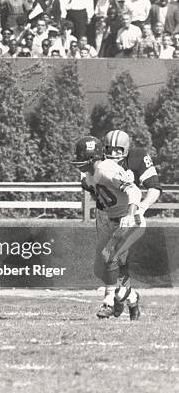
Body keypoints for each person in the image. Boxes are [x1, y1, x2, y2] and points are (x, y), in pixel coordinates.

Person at [71, 136, 144, 320]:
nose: (78, 162)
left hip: (130, 221)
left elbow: (134, 191)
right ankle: (131, 298)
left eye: (82, 157)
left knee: (108, 255)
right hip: (114, 223)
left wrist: (130, 213)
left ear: (92, 158)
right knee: (102, 269)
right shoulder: (91, 174)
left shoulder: (106, 170)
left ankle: (110, 302)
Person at [103, 130, 161, 215]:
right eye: (109, 150)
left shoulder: (137, 156)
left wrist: (142, 206)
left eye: (117, 151)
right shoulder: (100, 160)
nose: (112, 154)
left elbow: (154, 187)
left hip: (130, 208)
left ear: (125, 150)